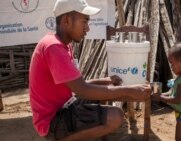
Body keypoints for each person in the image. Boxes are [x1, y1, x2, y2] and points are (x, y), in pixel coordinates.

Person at [29, 0, 151, 140]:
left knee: (102, 99)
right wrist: (130, 90)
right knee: (115, 116)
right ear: (66, 20)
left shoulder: (61, 44)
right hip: (53, 121)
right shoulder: (54, 47)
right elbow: (83, 90)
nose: (87, 28)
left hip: (64, 106)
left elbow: (76, 85)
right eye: (84, 22)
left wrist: (103, 81)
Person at [152, 42, 181, 141]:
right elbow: (173, 92)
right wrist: (160, 94)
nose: (171, 67)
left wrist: (160, 97)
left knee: (180, 139)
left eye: (172, 64)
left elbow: (178, 99)